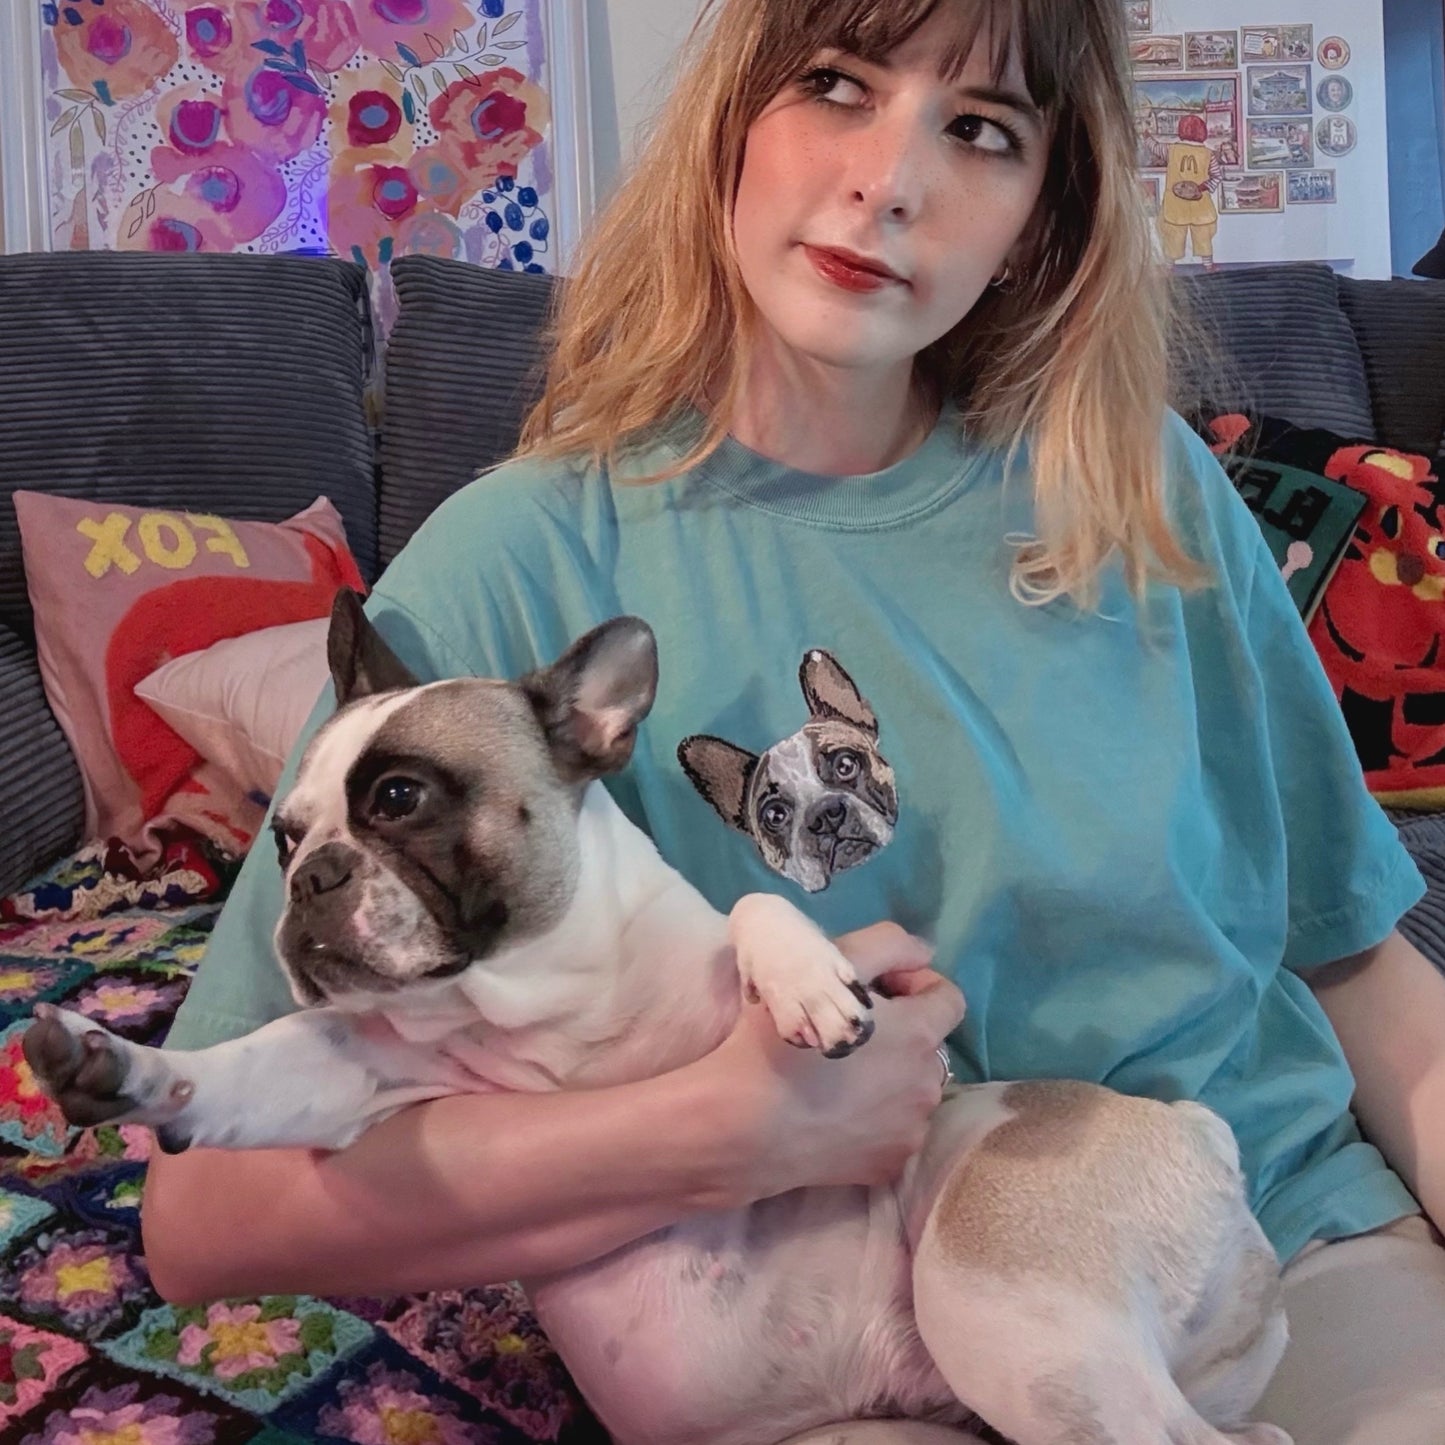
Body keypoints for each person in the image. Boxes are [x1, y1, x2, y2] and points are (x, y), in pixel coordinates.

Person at [142, 1, 1445, 1440]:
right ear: (728, 126)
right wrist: (719, 1137)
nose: (888, 181)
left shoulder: (1140, 489)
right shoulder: (511, 566)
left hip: (1266, 1245)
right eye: (834, 84)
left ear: (1039, 214)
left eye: (980, 129)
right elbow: (205, 1220)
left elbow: (1352, 961)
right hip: (815, 1341)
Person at [1158, 112, 1222, 269]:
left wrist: (1146, 137)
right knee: (1203, 234)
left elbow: (1154, 147)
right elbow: (1217, 176)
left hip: (1175, 204)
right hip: (1200, 203)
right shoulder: (1208, 153)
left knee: (1173, 234)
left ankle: (1168, 266)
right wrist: (1201, 187)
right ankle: (1208, 265)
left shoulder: (1170, 149)